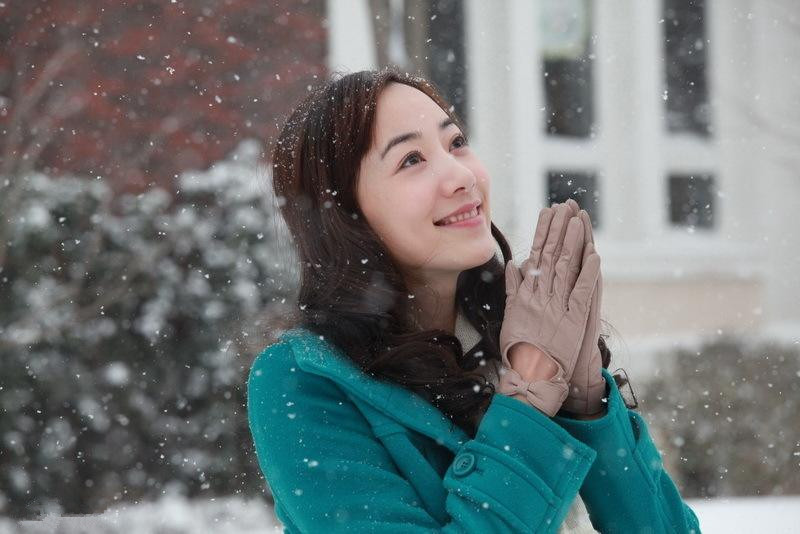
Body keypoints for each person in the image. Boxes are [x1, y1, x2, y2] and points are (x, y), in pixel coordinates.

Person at [247, 67, 701, 533]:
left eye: (457, 142)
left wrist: (587, 406)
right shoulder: (304, 379)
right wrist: (528, 397)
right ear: (345, 214)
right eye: (411, 159)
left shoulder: (520, 334)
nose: (461, 176)